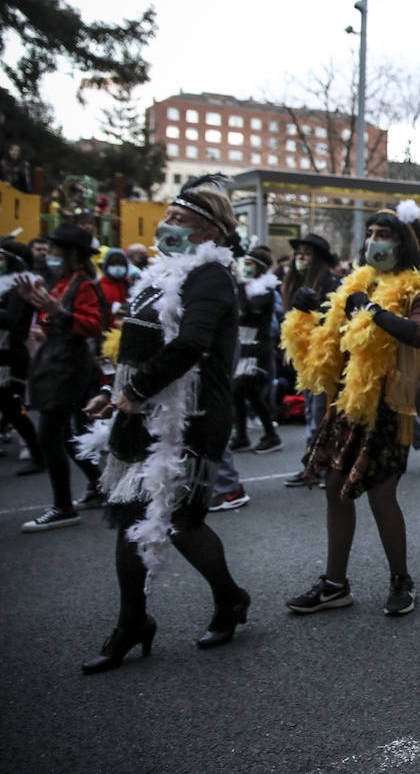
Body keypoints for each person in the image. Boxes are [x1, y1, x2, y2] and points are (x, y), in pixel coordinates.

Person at [75, 174, 250, 672]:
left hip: (191, 418)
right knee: (130, 517)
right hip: (144, 410)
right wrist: (112, 392)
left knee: (183, 522)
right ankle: (134, 623)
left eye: (179, 220)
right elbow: (137, 346)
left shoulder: (211, 277)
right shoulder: (156, 276)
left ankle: (230, 597)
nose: (166, 226)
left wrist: (133, 392)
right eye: (167, 217)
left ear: (209, 233)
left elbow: (192, 343)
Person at [282, 205, 420, 617]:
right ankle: (335, 584)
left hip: (388, 409)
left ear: (401, 242)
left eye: (383, 233)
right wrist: (300, 309)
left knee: (382, 497)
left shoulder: (417, 291)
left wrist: (373, 311)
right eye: (370, 232)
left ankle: (401, 580)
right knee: (334, 489)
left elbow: (419, 334)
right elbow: (324, 347)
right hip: (347, 405)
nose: (374, 240)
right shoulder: (354, 284)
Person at [18, 223, 108, 531]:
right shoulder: (62, 282)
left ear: (71, 254)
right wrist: (41, 307)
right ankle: (100, 487)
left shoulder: (83, 284)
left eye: (56, 249)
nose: (51, 253)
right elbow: (46, 322)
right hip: (55, 361)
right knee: (69, 436)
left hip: (69, 365)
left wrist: (59, 313)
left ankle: (64, 506)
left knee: (51, 435)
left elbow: (94, 325)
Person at [280, 232, 340, 485]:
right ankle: (314, 463)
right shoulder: (293, 284)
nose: (301, 258)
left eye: (307, 254)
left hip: (324, 361)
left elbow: (332, 324)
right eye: (299, 253)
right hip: (303, 360)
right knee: (311, 415)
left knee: (320, 415)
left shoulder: (330, 285)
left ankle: (321, 466)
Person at [228, 245, 282, 456]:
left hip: (258, 348)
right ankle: (241, 436)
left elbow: (248, 310)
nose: (245, 267)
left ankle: (271, 434)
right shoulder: (245, 287)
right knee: (237, 392)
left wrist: (240, 285)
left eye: (249, 264)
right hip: (241, 345)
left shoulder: (266, 291)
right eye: (245, 263)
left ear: (259, 268)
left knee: (251, 392)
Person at [0, 240, 42, 476]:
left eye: (3, 258)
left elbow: (14, 320)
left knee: (13, 408)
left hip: (10, 357)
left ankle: (38, 454)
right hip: (5, 354)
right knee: (10, 408)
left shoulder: (20, 285)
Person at [98, 249, 132, 315]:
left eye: (121, 265)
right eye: (113, 265)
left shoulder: (130, 284)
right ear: (106, 266)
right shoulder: (99, 287)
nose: (118, 268)